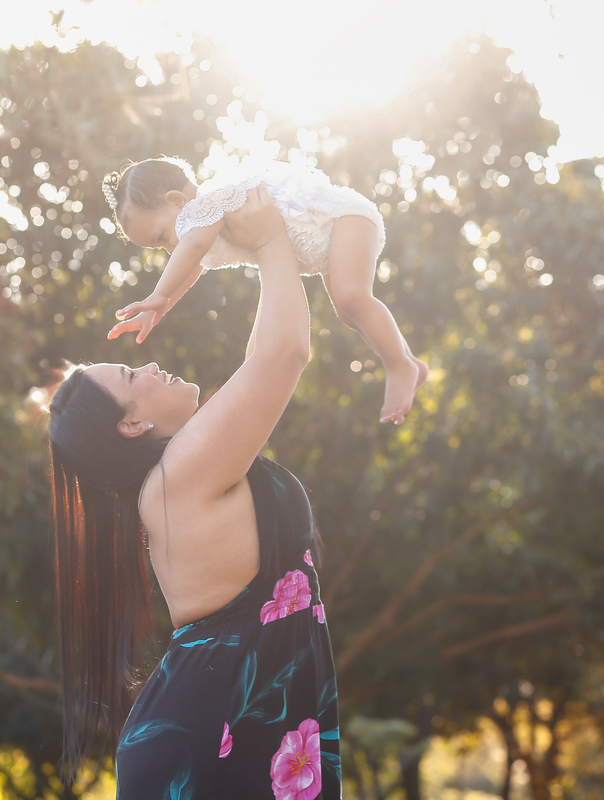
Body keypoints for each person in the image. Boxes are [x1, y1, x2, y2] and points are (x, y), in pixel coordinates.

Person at [48, 186, 340, 798]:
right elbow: (285, 351)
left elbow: (263, 352)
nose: (150, 366)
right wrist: (267, 239)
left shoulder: (182, 470)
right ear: (131, 425)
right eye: (132, 376)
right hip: (210, 741)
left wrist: (269, 250)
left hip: (230, 724)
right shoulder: (179, 474)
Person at [103, 156, 427, 425]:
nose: (169, 250)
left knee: (352, 298)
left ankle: (400, 364)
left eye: (161, 238)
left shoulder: (212, 201)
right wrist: (162, 306)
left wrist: (158, 293)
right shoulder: (202, 228)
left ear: (177, 201)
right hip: (324, 244)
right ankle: (410, 361)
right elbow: (194, 263)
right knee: (343, 312)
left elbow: (193, 245)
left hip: (342, 218)